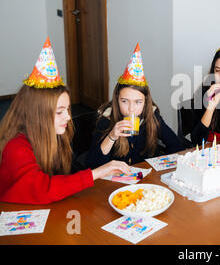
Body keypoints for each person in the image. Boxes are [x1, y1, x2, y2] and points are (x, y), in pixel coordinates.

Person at [0, 38, 130, 205]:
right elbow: (41, 189)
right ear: (37, 115)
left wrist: (101, 171)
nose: (69, 117)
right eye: (60, 111)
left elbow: (67, 175)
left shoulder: (55, 135)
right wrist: (95, 173)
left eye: (67, 109)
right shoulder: (15, 147)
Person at [86, 43, 185, 169]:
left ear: (145, 101)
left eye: (138, 102)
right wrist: (111, 136)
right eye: (125, 101)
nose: (131, 109)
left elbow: (177, 146)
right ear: (117, 99)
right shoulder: (106, 120)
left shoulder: (152, 116)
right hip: (115, 183)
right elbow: (92, 166)